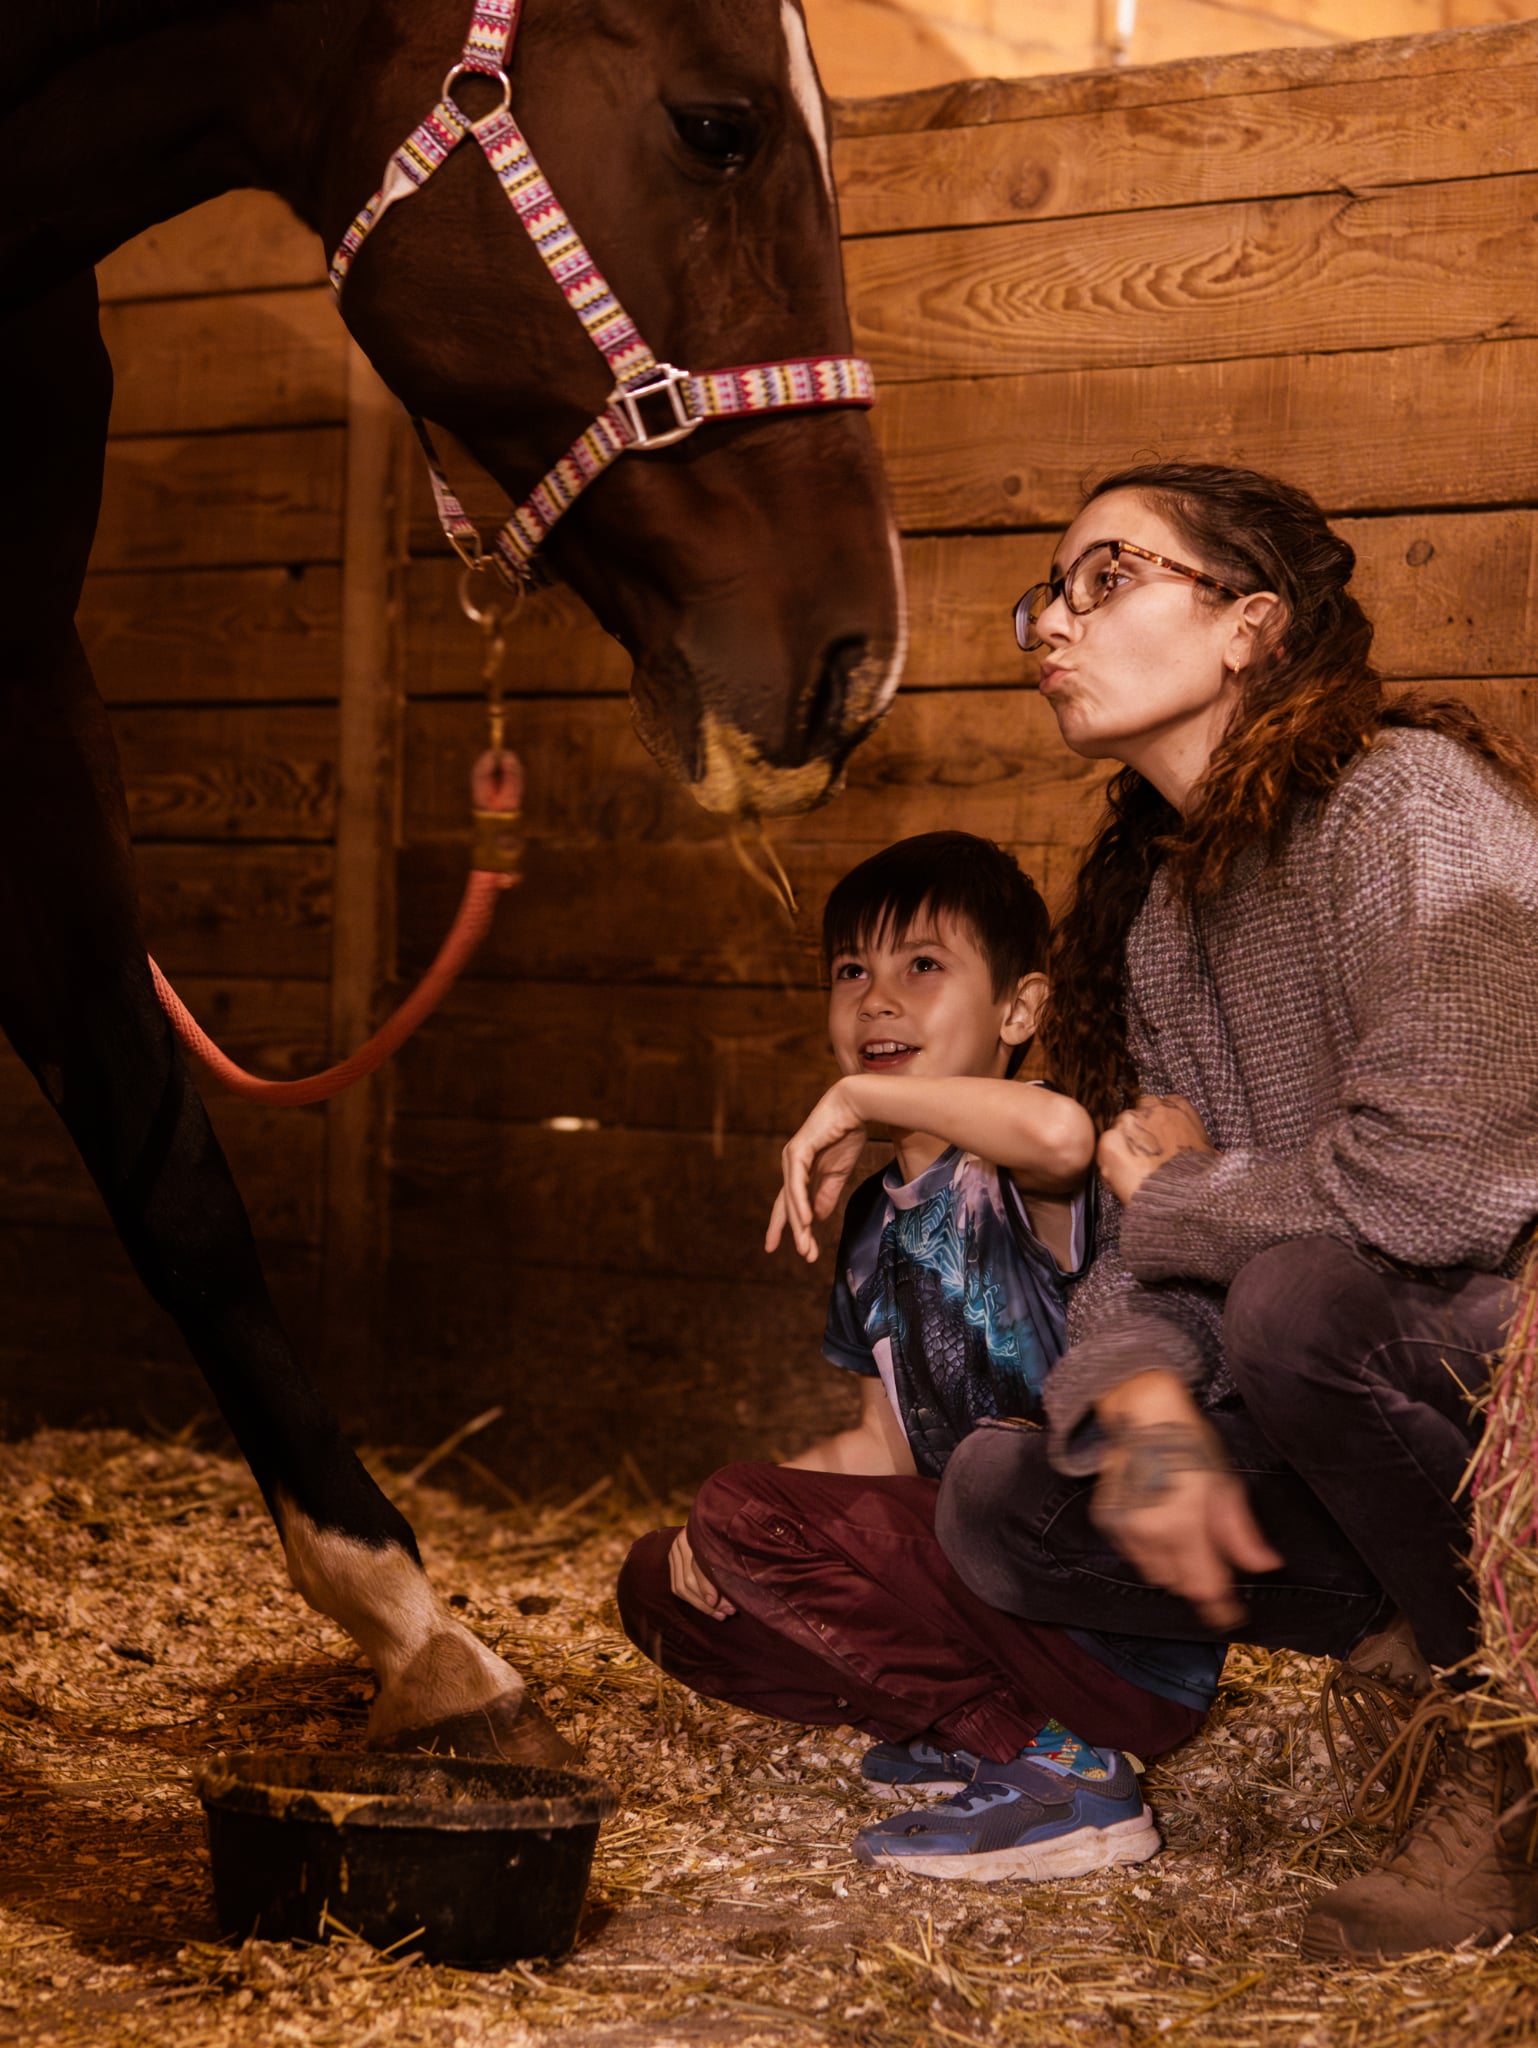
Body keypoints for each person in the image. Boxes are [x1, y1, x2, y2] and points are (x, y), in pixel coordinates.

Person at [929, 462, 1538, 1955]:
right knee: (1004, 1501)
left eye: (1105, 578)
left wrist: (1182, 1195)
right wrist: (1137, 1396)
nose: (1051, 628)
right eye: (1043, 599)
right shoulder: (1167, 915)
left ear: (1246, 625)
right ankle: (1433, 1635)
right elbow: (1148, 1248)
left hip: (1506, 1374)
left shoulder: (1407, 806)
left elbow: (1437, 1188)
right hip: (1375, 1395)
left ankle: (1511, 1762)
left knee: (1294, 1305)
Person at [617, 832, 1222, 1882]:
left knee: (741, 1510)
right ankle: (976, 1723)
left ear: (1019, 1011)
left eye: (921, 966)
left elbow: (1062, 1131)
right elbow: (882, 1445)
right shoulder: (868, 1225)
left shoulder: (1020, 1169)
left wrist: (857, 1102)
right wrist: (732, 1539)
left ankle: (1056, 1768)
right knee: (659, 1579)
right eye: (851, 970)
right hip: (984, 1596)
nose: (876, 999)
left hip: (1101, 1613)